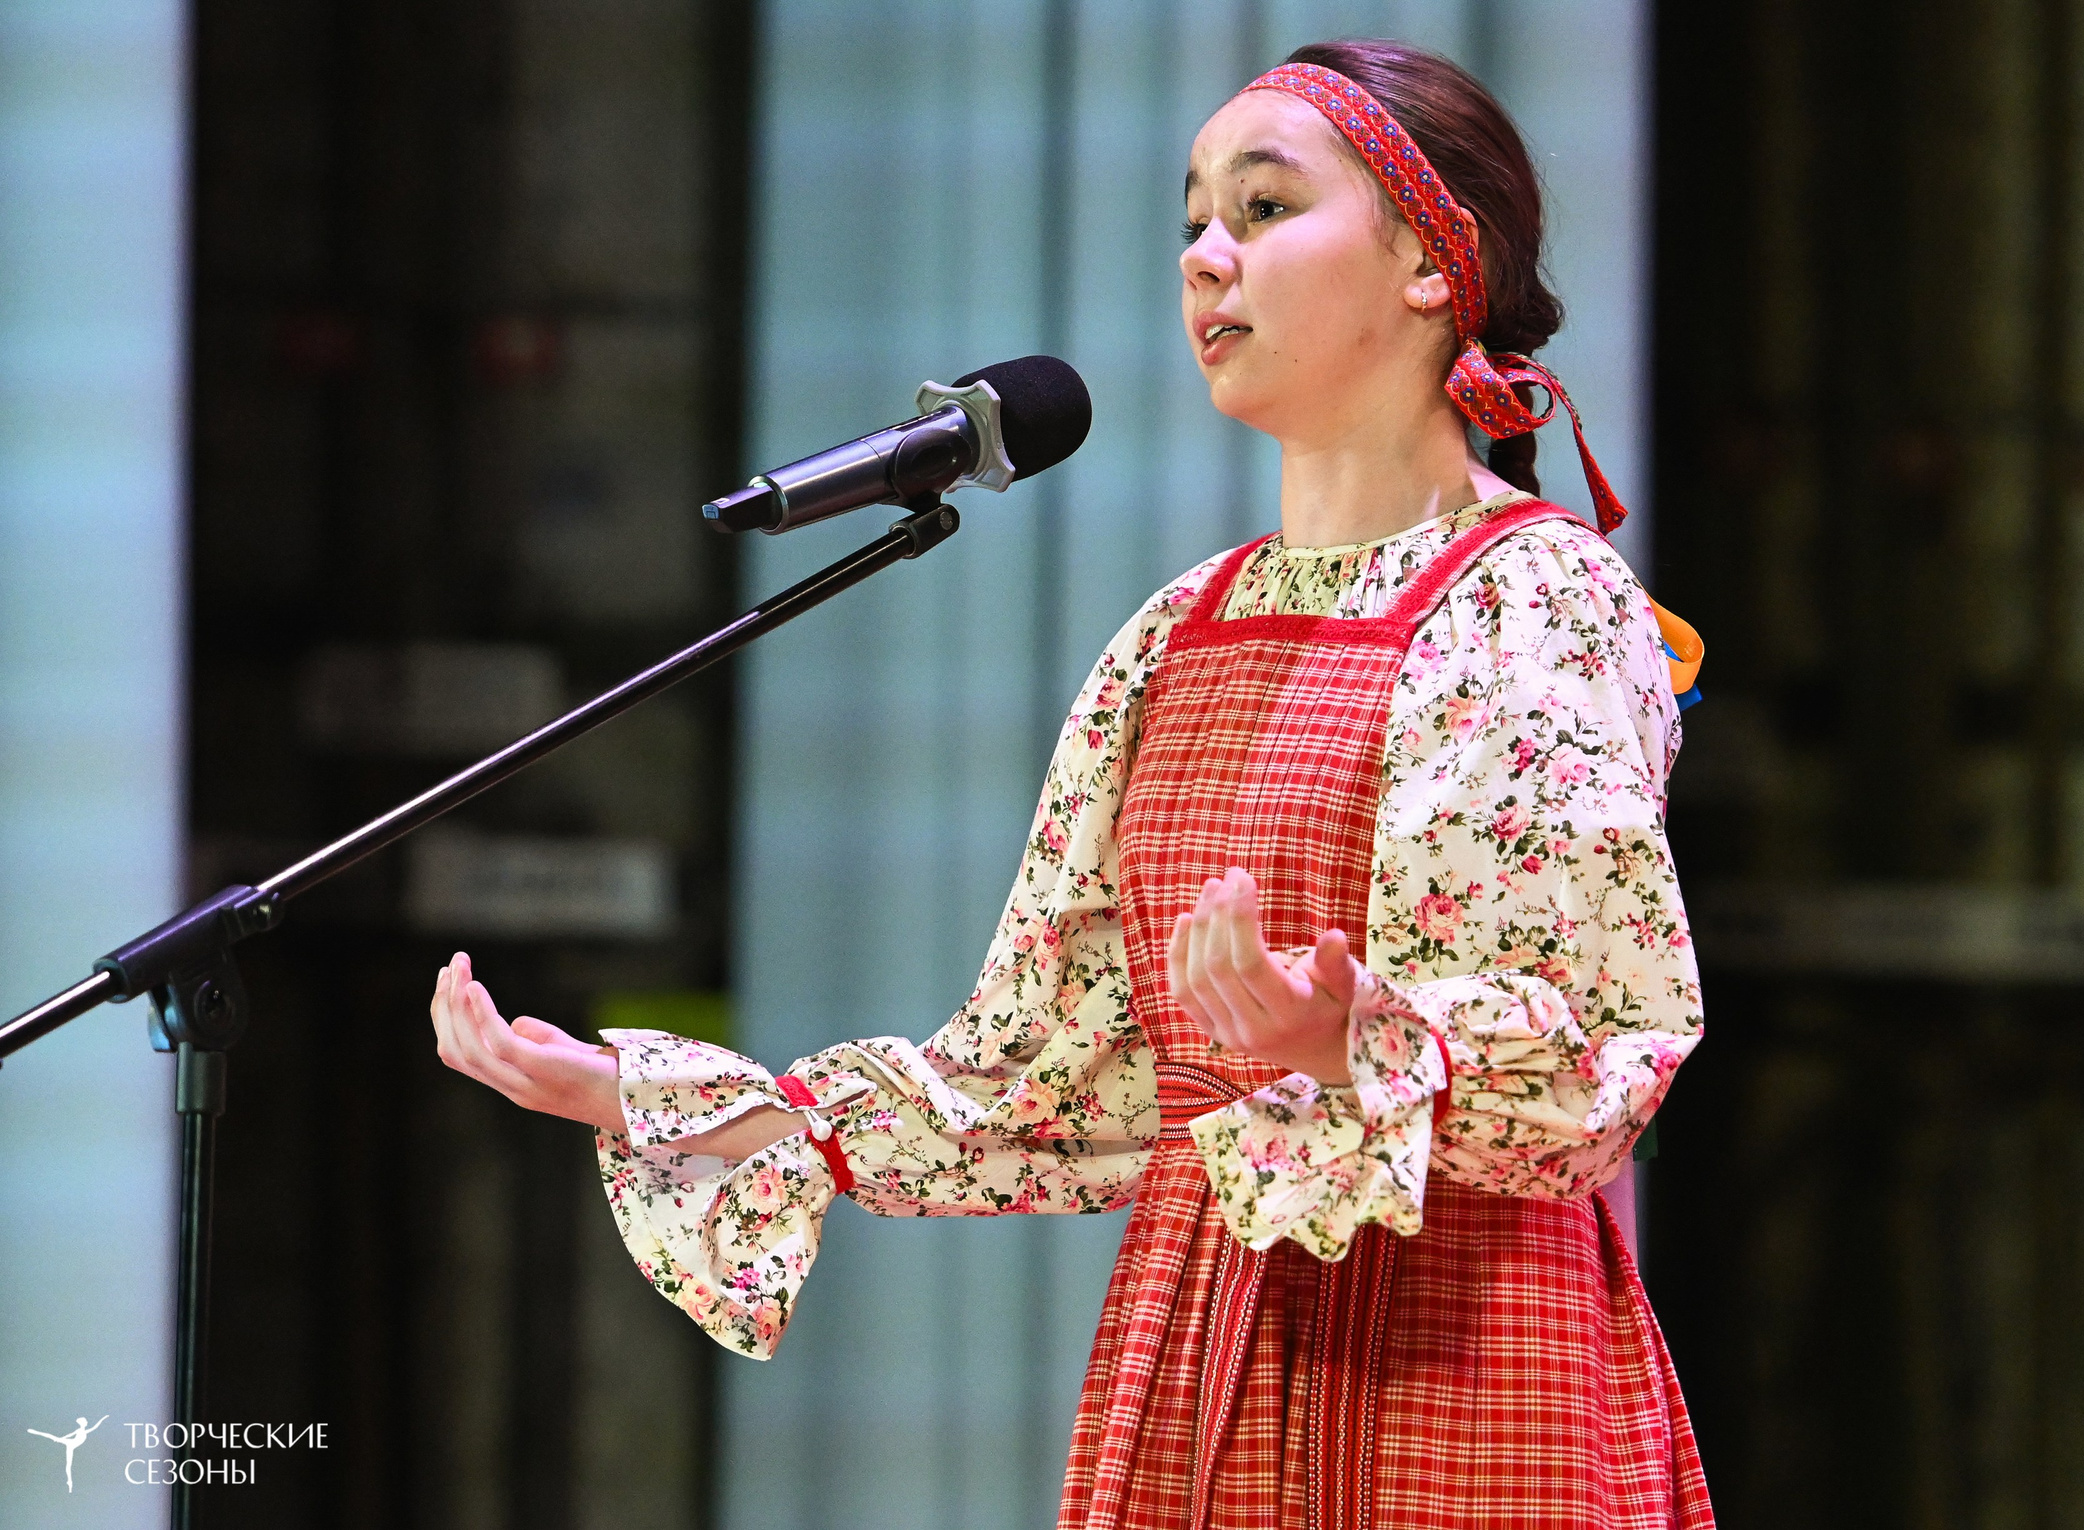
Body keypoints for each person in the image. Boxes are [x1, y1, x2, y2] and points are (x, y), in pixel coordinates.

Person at [428, 38, 1712, 1528]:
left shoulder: (1535, 601)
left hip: (1467, 1357)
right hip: (1201, 1350)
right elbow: (1042, 1082)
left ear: (1434, 261)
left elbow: (1604, 1044)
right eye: (1193, 220)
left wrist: (1351, 1032)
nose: (1207, 256)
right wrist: (683, 1108)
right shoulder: (1176, 636)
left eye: (1265, 207)